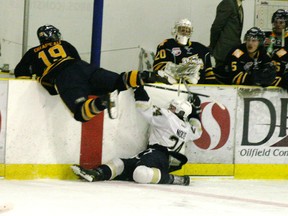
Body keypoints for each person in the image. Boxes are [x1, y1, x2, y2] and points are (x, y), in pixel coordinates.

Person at [71, 86, 203, 186]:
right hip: (158, 155)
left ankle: (175, 180)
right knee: (120, 163)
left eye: (173, 107)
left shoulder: (167, 117)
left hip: (159, 154)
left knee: (140, 173)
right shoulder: (186, 127)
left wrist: (138, 88)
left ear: (179, 111)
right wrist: (196, 111)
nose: (169, 108)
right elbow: (197, 130)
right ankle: (97, 174)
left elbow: (145, 107)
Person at [14, 25, 146, 122]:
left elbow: (20, 74)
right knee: (119, 81)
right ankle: (146, 76)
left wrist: (36, 78)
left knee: (81, 112)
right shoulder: (65, 44)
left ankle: (102, 102)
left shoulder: (32, 52)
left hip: (63, 76)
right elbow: (76, 61)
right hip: (82, 67)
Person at [152, 18, 217, 85]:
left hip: (199, 87)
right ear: (175, 30)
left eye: (187, 30)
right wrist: (178, 72)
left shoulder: (202, 49)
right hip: (174, 86)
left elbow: (209, 76)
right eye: (182, 30)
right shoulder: (167, 44)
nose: (185, 32)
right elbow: (159, 69)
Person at [209, 0, 244, 68]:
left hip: (234, 51)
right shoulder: (227, 3)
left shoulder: (239, 6)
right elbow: (216, 27)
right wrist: (212, 46)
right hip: (224, 52)